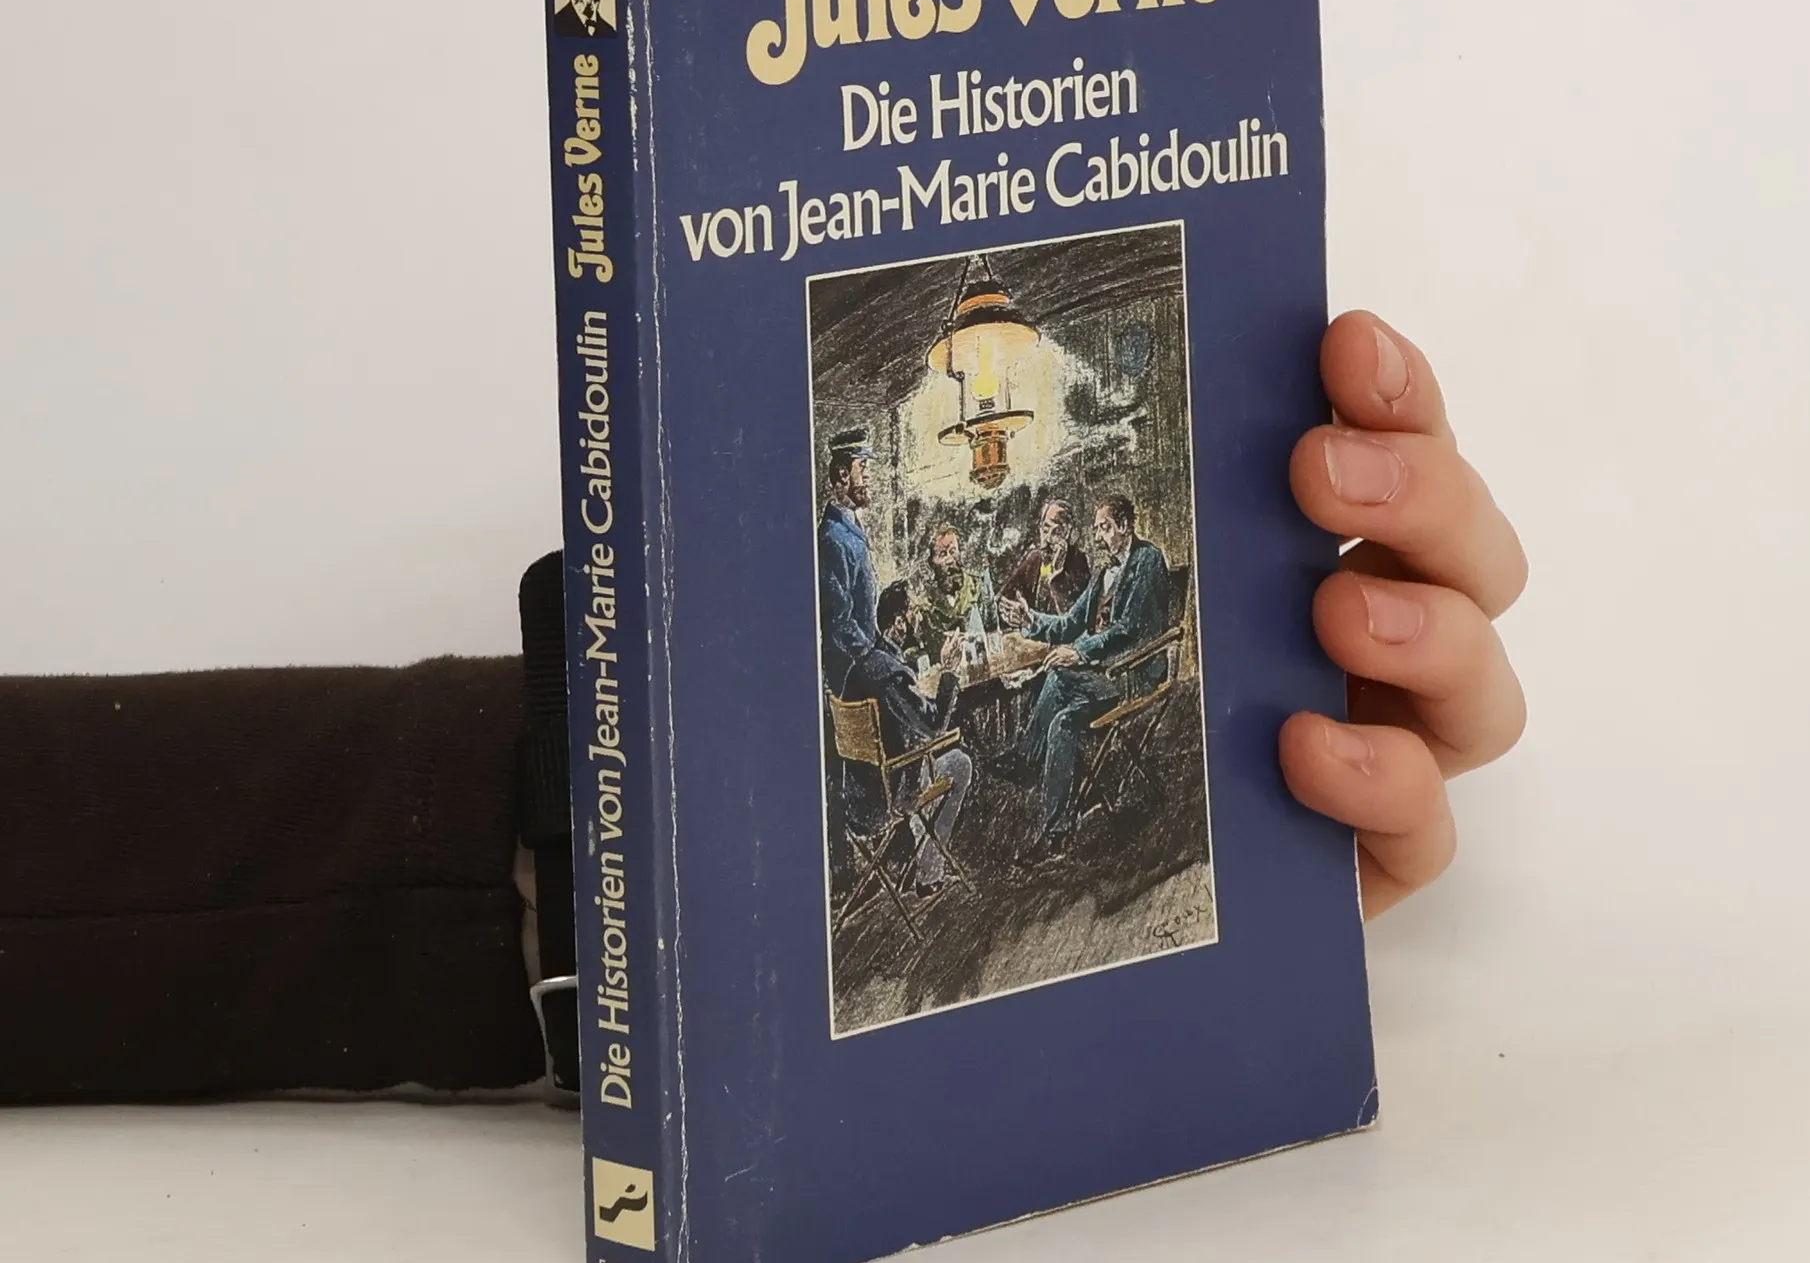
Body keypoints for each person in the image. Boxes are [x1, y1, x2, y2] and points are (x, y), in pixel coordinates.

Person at [0, 312, 1526, 1102]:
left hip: (1091, 687)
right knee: (994, 713)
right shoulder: (880, 562)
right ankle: (1010, 836)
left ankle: (1046, 839)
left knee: (1021, 708)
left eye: (1091, 518)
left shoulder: (1094, 569)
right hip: (982, 690)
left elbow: (1088, 629)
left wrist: (607, 839)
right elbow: (969, 630)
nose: (1063, 525)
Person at [1000, 493, 1173, 854]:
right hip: (1102, 678)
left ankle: (1026, 761)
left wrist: (1078, 652)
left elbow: (1127, 629)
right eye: (1095, 529)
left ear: (1124, 525)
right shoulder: (1103, 572)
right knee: (1062, 723)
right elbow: (1070, 622)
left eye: (1104, 528)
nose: (1097, 536)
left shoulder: (1148, 560)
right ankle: (1056, 833)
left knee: (1057, 674)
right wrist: (1030, 619)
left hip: (1133, 674)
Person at [840, 581, 971, 894]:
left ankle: (922, 862)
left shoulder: (864, 665)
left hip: (854, 800)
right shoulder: (890, 674)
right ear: (899, 622)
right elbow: (935, 726)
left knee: (920, 760)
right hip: (884, 800)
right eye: (914, 612)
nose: (920, 618)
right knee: (960, 763)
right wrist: (949, 671)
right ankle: (929, 875)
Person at [817, 426, 880, 697]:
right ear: (843, 474)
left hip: (865, 666)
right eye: (862, 467)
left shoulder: (850, 526)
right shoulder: (832, 537)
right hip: (851, 676)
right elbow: (839, 620)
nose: (869, 476)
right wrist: (874, 659)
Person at [999, 500, 1092, 618]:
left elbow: (1073, 618)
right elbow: (1003, 597)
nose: (1047, 539)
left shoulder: (1078, 563)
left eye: (1057, 532)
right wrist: (1013, 607)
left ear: (1067, 533)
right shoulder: (1035, 559)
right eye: (1045, 530)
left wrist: (1057, 575)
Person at [909, 524, 982, 667]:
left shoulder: (977, 588)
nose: (950, 560)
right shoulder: (925, 603)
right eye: (942, 555)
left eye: (953, 551)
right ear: (931, 563)